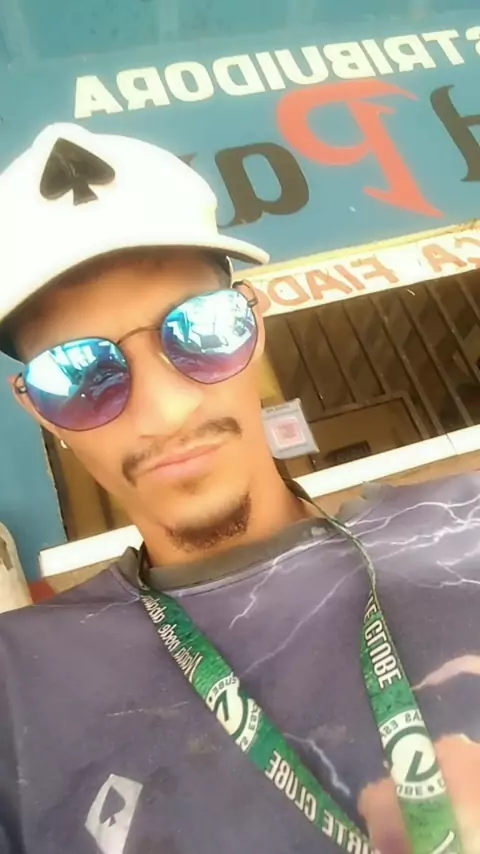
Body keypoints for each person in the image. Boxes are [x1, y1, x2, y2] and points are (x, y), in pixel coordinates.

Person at [0, 123, 478, 854]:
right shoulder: (18, 688)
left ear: (255, 327)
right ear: (37, 410)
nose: (167, 411)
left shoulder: (467, 522)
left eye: (199, 329)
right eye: (77, 375)